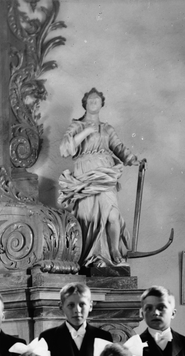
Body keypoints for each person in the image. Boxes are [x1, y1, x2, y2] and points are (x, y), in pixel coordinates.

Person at [58, 87, 141, 271]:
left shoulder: (107, 129)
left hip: (105, 173)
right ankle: (91, 258)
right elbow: (66, 149)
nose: (94, 102)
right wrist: (87, 131)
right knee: (89, 219)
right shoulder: (76, 126)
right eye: (90, 100)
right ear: (85, 104)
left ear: (102, 104)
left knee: (113, 214)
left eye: (97, 100)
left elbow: (118, 147)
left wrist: (132, 159)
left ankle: (114, 250)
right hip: (85, 176)